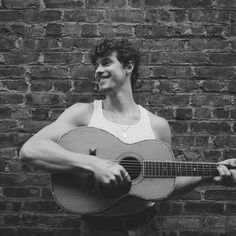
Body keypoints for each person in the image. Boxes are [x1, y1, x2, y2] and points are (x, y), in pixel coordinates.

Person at [19, 38, 236, 236]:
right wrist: (95, 165)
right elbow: (30, 150)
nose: (97, 70)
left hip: (147, 228)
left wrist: (208, 175)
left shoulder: (157, 125)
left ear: (128, 66)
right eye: (96, 65)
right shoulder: (82, 113)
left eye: (106, 63)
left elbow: (162, 187)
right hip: (97, 230)